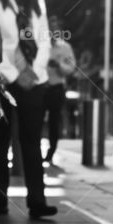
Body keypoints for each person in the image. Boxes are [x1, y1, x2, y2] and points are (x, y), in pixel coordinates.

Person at [0, 0, 56, 219]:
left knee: (31, 141)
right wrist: (14, 74)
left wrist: (34, 72)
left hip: (33, 81)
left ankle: (37, 201)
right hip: (2, 79)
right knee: (0, 139)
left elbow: (45, 40)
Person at [42, 15, 76, 169]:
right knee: (35, 120)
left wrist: (59, 66)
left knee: (54, 122)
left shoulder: (65, 48)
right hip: (40, 88)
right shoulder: (40, 46)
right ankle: (36, 152)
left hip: (56, 88)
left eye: (54, 30)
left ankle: (51, 152)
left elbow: (70, 68)